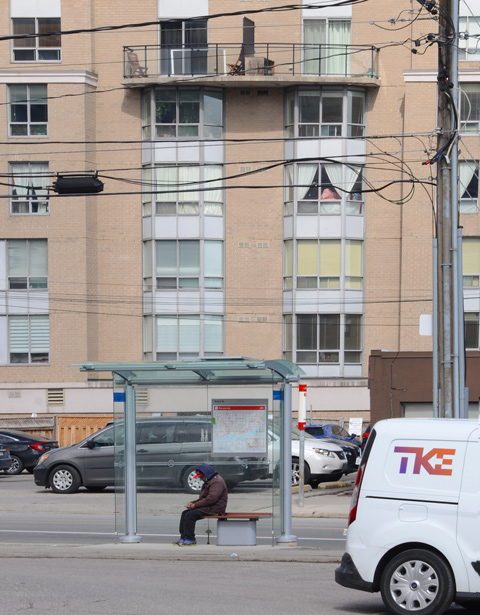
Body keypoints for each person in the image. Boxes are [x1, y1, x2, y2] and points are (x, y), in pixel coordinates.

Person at [173, 463, 228, 546]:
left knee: (190, 515)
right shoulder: (210, 481)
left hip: (215, 508)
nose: (200, 479)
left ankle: (190, 539)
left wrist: (195, 505)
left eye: (201, 477)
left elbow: (211, 499)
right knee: (185, 513)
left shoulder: (217, 482)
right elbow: (203, 498)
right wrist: (193, 503)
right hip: (208, 507)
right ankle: (184, 537)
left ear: (206, 474)